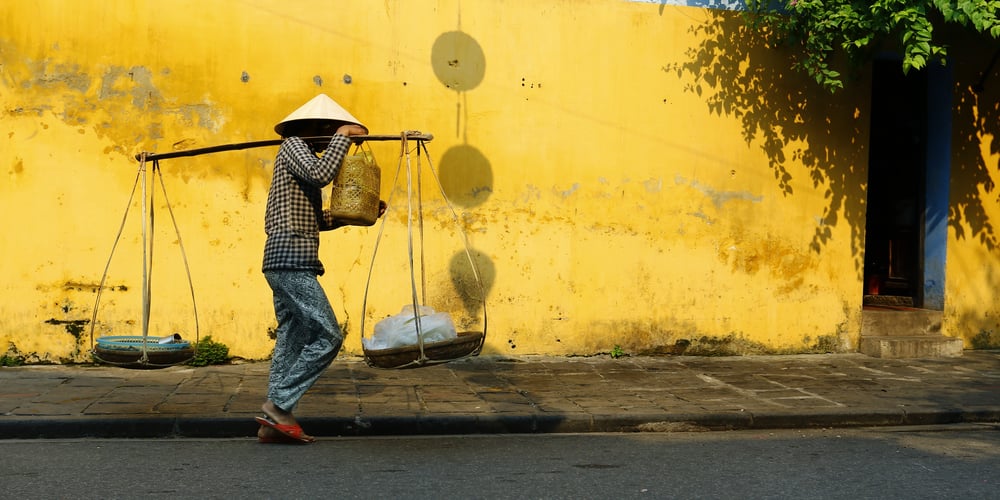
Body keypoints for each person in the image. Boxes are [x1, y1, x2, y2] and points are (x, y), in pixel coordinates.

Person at [256, 95, 383, 444]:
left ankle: (272, 424)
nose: (333, 139)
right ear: (315, 129)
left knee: (291, 339)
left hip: (288, 258)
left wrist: (357, 212)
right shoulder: (294, 146)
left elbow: (313, 220)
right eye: (330, 132)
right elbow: (321, 174)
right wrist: (344, 136)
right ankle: (279, 405)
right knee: (328, 336)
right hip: (290, 258)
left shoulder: (299, 156)